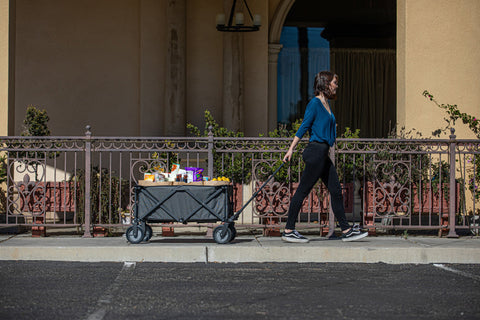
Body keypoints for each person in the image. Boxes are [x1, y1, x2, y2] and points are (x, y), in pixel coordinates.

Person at [282, 71, 368, 243]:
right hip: (316, 152)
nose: (337, 85)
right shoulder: (314, 103)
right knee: (302, 191)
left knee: (336, 190)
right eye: (335, 82)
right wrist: (291, 149)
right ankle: (288, 230)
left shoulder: (326, 103)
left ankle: (346, 230)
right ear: (325, 83)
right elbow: (304, 126)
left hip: (323, 153)